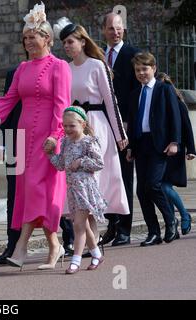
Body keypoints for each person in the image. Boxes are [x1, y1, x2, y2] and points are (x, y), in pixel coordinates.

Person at [0, 2, 70, 270]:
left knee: (38, 190)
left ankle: (21, 248)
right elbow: (8, 100)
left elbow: (62, 104)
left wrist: (56, 136)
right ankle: (54, 245)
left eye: (32, 37)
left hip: (47, 138)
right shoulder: (21, 69)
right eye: (25, 38)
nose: (28, 42)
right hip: (23, 138)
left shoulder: (60, 67)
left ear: (47, 39)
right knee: (27, 192)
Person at [59, 22, 129, 251]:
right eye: (64, 43)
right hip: (74, 129)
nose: (67, 46)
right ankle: (90, 242)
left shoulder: (97, 65)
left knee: (92, 184)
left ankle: (93, 240)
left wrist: (120, 134)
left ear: (82, 41)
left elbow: (111, 101)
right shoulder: (65, 68)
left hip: (97, 127)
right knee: (79, 186)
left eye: (70, 41)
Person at [126, 52, 181, 246]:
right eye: (137, 70)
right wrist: (131, 147)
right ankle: (154, 232)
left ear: (154, 69)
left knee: (154, 185)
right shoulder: (135, 94)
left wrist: (175, 141)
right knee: (141, 191)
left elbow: (175, 116)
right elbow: (133, 123)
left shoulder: (164, 89)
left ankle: (171, 220)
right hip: (141, 144)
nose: (141, 73)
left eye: (145, 69)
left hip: (160, 144)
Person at [45, 106, 106, 274]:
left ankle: (76, 261)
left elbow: (99, 163)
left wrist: (81, 162)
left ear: (82, 124)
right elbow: (61, 165)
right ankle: (96, 254)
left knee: (78, 226)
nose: (67, 129)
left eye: (72, 126)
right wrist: (50, 154)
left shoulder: (88, 142)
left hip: (86, 189)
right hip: (72, 189)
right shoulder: (65, 142)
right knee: (83, 225)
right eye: (65, 126)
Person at [99, 13, 141, 247]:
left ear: (123, 29)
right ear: (103, 31)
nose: (115, 32)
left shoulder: (132, 54)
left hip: (124, 127)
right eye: (110, 28)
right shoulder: (98, 56)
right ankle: (111, 225)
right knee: (106, 178)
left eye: (119, 28)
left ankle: (125, 227)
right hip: (102, 126)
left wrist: (129, 126)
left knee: (124, 178)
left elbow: (136, 95)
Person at [0, 40, 29, 265]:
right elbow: (7, 106)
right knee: (14, 195)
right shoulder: (14, 72)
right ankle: (12, 246)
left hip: (44, 141)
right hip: (17, 140)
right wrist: (2, 142)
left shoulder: (57, 67)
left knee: (47, 192)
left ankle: (69, 239)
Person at [157, 72, 195, 235]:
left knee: (164, 186)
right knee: (160, 187)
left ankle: (184, 215)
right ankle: (172, 220)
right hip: (159, 151)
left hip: (174, 151)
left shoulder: (178, 104)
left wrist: (191, 150)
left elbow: (186, 127)